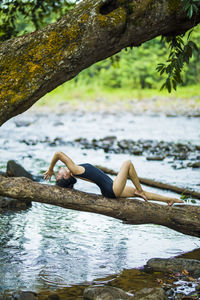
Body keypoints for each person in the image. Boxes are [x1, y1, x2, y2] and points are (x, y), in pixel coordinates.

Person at [44, 151, 184, 206]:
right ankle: (141, 191)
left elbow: (59, 156)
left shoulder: (74, 171)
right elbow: (58, 154)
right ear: (66, 175)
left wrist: (52, 170)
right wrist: (50, 169)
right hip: (112, 189)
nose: (57, 172)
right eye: (58, 175)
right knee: (127, 163)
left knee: (135, 190)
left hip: (110, 189)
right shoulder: (73, 169)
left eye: (56, 174)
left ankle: (169, 200)